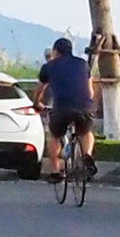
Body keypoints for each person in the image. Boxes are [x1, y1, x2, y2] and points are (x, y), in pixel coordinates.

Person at [36, 37, 98, 182]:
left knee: (54, 135)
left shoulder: (49, 67)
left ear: (55, 51)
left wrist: (36, 103)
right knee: (86, 132)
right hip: (84, 108)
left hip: (62, 108)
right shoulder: (83, 64)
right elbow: (90, 92)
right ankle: (87, 155)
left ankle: (55, 171)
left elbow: (39, 89)